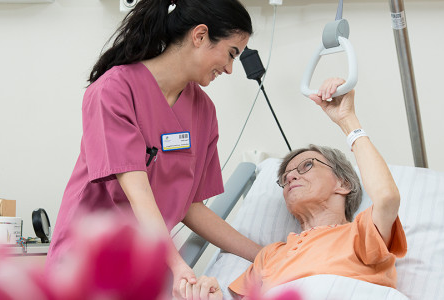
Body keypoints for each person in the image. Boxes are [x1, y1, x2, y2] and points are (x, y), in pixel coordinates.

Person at [44, 0, 263, 299]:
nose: (229, 69)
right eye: (230, 53)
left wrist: (264, 256)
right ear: (199, 36)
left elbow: (191, 206)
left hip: (145, 269)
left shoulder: (203, 112)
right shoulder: (114, 91)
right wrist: (178, 265)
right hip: (86, 264)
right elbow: (139, 192)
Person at [224, 78, 408, 298]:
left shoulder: (361, 234)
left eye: (307, 165)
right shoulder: (270, 255)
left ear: (343, 183)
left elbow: (387, 197)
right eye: (284, 177)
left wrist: (347, 120)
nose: (290, 176)